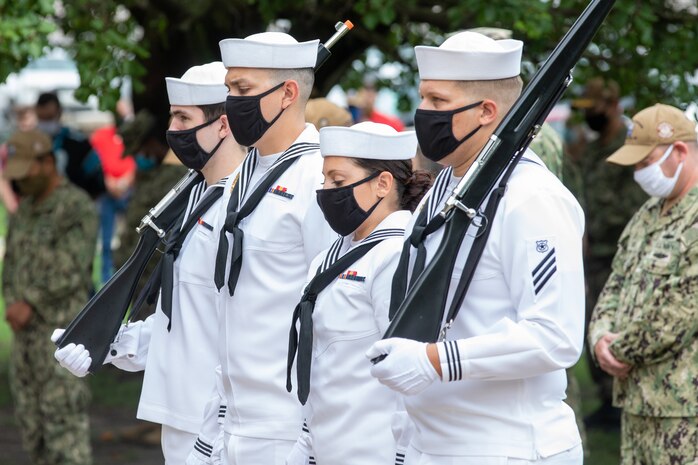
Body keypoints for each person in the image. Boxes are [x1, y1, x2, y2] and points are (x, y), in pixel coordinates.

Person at [366, 31, 586, 464]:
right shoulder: (446, 184)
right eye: (423, 98)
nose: (422, 112)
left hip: (507, 447)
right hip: (432, 442)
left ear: (486, 111)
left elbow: (554, 335)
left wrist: (435, 359)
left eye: (436, 101)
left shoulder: (532, 197)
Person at [53, 62, 246, 465]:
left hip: (219, 423)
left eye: (183, 118)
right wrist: (112, 341)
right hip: (178, 408)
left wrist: (218, 432)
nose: (172, 130)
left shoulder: (243, 208)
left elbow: (244, 328)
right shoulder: (196, 194)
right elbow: (188, 313)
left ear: (223, 124)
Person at [188, 32, 337, 465]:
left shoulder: (318, 179)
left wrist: (311, 438)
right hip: (234, 421)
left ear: (288, 93)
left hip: (286, 426)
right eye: (230, 90)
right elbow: (230, 310)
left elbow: (331, 318)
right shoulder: (243, 174)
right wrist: (212, 426)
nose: (232, 102)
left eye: (243, 90)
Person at [286, 122, 431, 464]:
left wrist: (401, 457)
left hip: (375, 452)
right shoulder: (330, 256)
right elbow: (325, 361)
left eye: (338, 181)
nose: (325, 192)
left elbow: (407, 371)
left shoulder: (394, 255)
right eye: (324, 181)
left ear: (383, 184)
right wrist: (307, 443)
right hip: (326, 446)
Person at [588, 103, 698, 465]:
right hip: (636, 401)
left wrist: (617, 353)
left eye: (644, 162)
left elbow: (678, 314)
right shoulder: (648, 213)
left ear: (679, 151)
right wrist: (599, 338)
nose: (638, 173)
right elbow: (614, 285)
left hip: (684, 409)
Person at [3, 128, 97, 465]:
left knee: (65, 436)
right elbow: (12, 262)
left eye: (26, 174)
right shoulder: (25, 209)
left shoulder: (76, 206)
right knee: (33, 434)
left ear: (46, 162)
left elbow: (71, 267)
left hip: (60, 341)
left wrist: (29, 302)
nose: (20, 183)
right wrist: (12, 302)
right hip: (24, 342)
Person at [569, 78, 647, 428]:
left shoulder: (628, 146)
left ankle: (620, 402)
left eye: (595, 109)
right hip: (592, 253)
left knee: (615, 323)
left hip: (616, 252)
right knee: (591, 323)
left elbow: (633, 204)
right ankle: (606, 399)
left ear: (613, 105)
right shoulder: (594, 146)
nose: (590, 117)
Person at [35, 92, 105, 198]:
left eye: (49, 117)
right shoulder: (28, 144)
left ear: (59, 113)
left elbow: (96, 180)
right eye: (41, 118)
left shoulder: (78, 143)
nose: (45, 123)